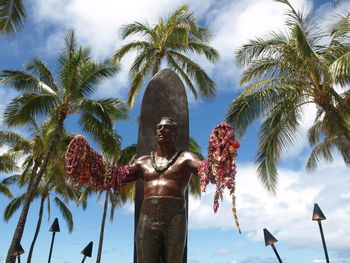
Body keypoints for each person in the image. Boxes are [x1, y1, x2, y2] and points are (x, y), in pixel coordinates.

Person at [125, 117, 201, 263]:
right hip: (148, 216)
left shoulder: (185, 158)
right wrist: (91, 164)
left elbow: (207, 170)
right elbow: (117, 176)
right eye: (159, 127)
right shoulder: (143, 161)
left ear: (175, 133)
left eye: (166, 127)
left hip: (175, 217)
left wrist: (222, 156)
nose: (161, 130)